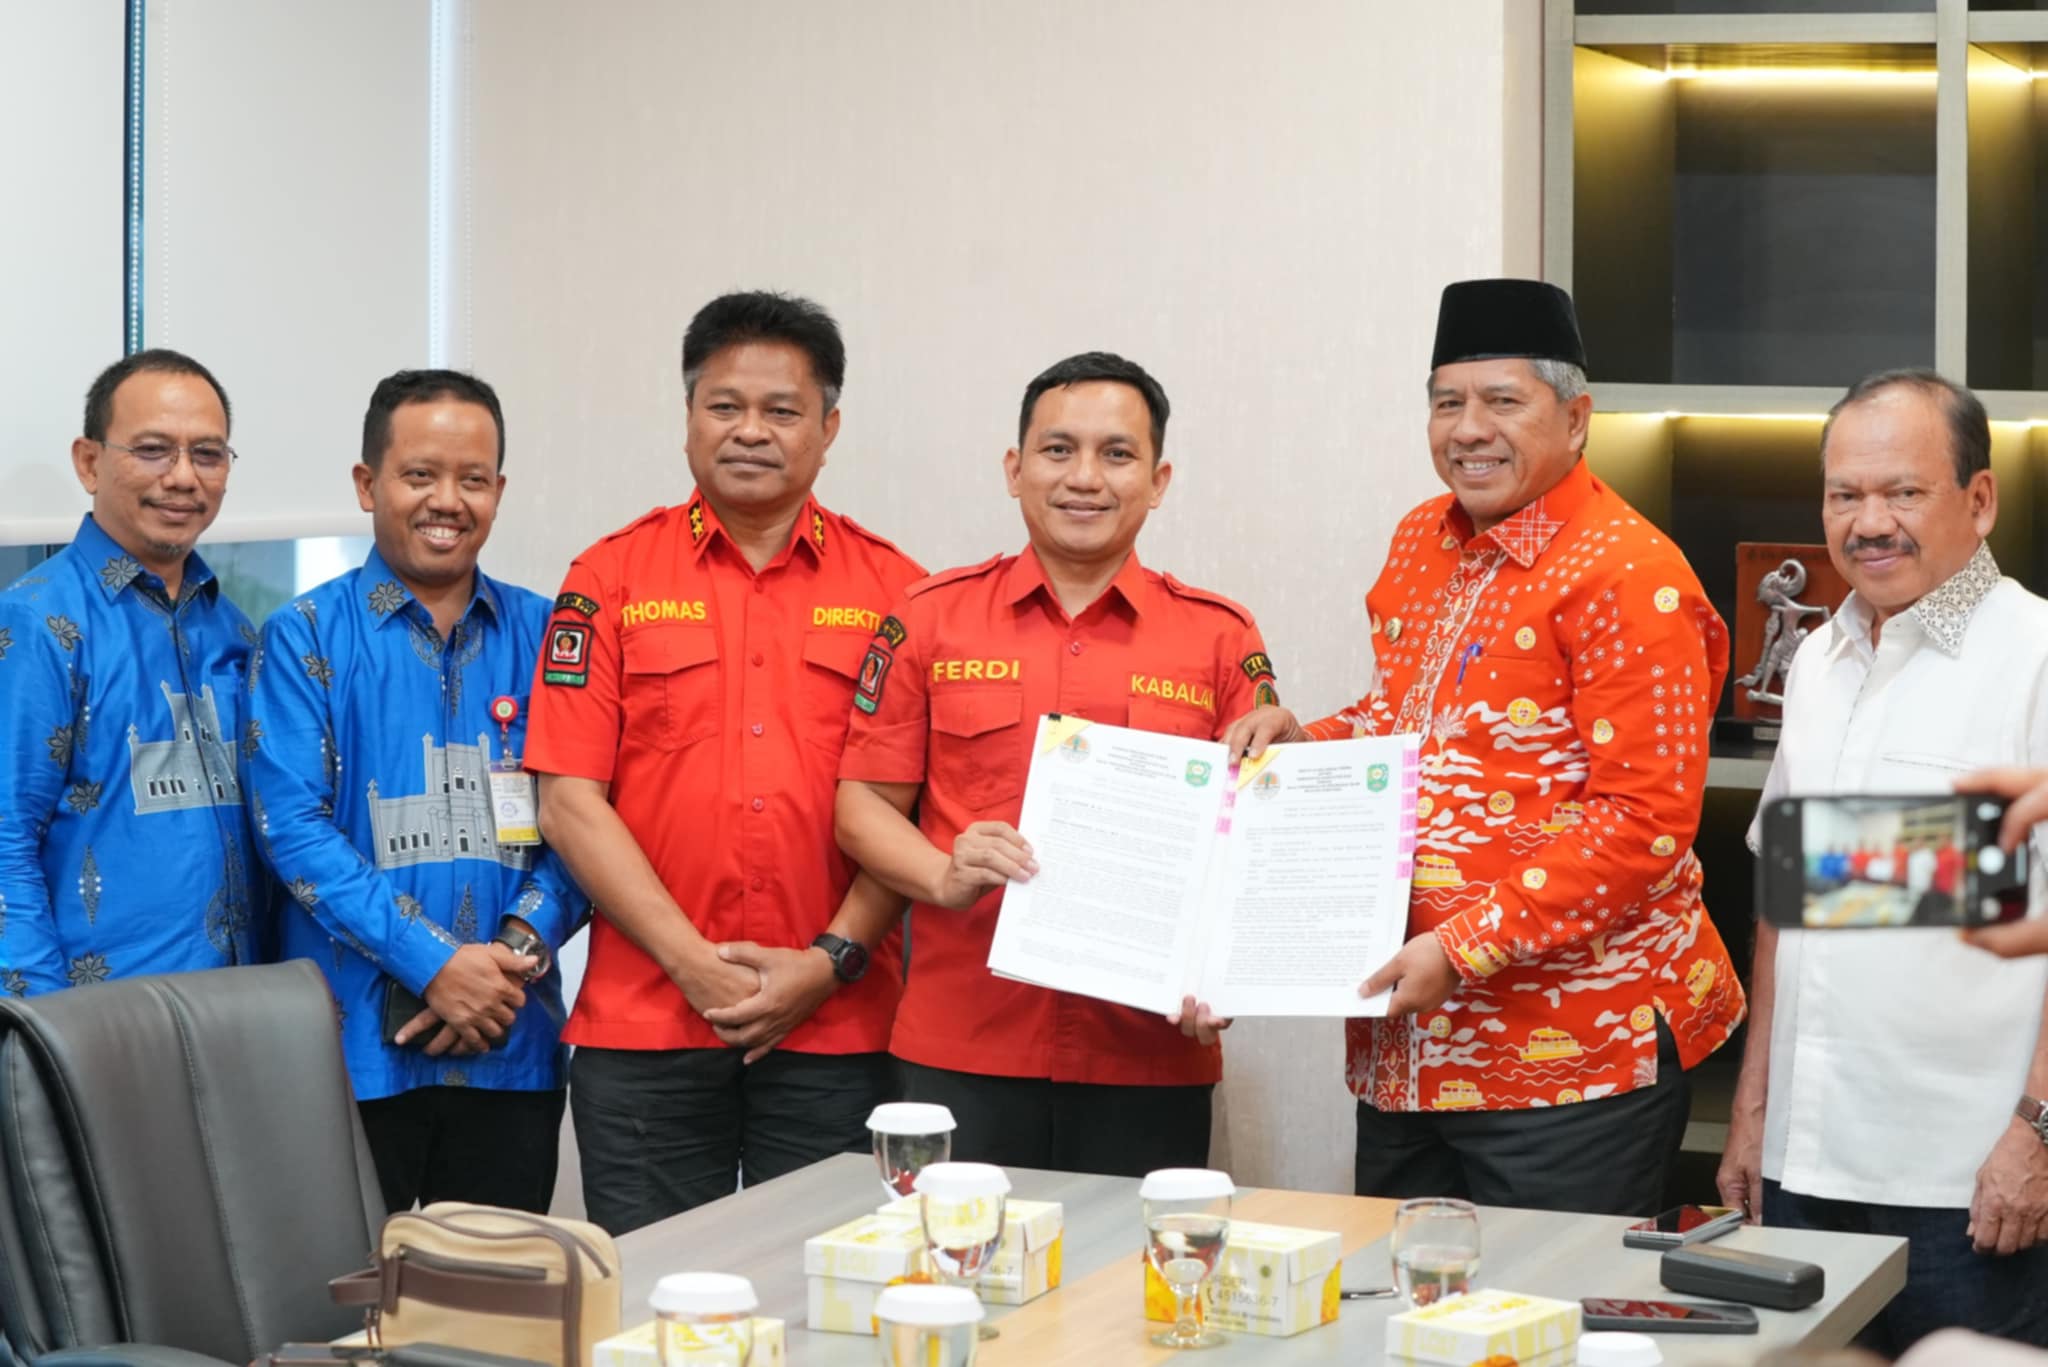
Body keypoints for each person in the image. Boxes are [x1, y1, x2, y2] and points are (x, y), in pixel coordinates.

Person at [1226, 280, 1742, 1215]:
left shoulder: (1631, 573)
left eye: (1503, 401)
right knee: (1399, 1294)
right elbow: (1410, 721)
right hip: (1408, 1047)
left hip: (1571, 1058)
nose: (1469, 429)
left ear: (1576, 419)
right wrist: (1308, 741)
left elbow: (1644, 821)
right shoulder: (1419, 540)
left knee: (1544, 1300)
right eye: (1446, 402)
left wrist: (1462, 947)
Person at [526, 292, 923, 1234]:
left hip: (838, 1024)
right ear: (688, 417)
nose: (751, 431)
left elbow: (909, 813)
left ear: (828, 429)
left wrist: (826, 963)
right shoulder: (608, 577)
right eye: (724, 405)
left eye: (782, 410)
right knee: (657, 1293)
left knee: (832, 1289)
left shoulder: (896, 590)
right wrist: (693, 965)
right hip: (647, 1023)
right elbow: (569, 801)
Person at [834, 351, 1281, 1175]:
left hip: (1149, 1055)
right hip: (963, 1044)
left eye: (1117, 453)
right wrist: (942, 874)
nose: (1085, 477)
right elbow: (861, 803)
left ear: (1159, 479)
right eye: (1058, 449)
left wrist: (1229, 973)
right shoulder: (931, 618)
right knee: (958, 1253)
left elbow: (1254, 842)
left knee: (1139, 1262)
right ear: (1015, 469)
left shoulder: (1221, 635)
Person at [1717, 370, 2048, 1355]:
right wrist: (1752, 1112)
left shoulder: (2035, 654)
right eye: (1844, 494)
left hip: (1969, 1184)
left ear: (1978, 500)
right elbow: (1789, 900)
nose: (1869, 523)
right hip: (1805, 1172)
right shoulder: (1818, 660)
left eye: (1902, 492)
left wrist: (2037, 1131)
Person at [246, 370, 583, 1215]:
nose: (448, 501)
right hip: (351, 1050)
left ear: (499, 491)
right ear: (368, 484)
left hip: (512, 1037)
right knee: (349, 1293)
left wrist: (511, 952)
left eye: (474, 479)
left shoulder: (550, 635)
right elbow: (293, 830)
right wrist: (435, 963)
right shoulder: (303, 637)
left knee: (497, 1290)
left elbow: (589, 816)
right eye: (420, 475)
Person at [0, 350, 263, 994]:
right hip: (100, 1020)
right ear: (89, 462)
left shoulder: (234, 631)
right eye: (152, 450)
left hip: (246, 1009)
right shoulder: (37, 624)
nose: (183, 477)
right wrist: (41, 1027)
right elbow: (4, 843)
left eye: (208, 454)